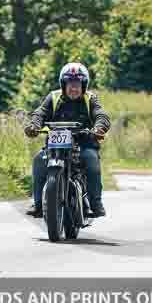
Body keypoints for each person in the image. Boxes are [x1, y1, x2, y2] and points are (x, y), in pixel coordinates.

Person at [24, 63, 111, 218]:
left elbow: (101, 115)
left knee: (91, 160)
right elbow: (40, 113)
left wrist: (99, 128)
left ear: (83, 86)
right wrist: (33, 125)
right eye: (70, 84)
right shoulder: (53, 97)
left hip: (83, 145)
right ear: (63, 84)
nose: (74, 88)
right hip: (55, 147)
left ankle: (95, 203)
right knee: (39, 160)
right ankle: (38, 204)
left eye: (77, 85)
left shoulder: (90, 98)